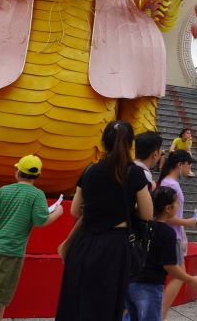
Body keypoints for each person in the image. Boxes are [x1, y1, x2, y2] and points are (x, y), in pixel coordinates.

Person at [56, 121, 153, 321]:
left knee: (76, 303)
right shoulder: (134, 173)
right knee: (106, 306)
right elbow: (147, 214)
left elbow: (75, 210)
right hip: (115, 246)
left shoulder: (90, 170)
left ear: (104, 143)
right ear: (129, 144)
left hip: (84, 243)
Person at [0, 155, 64, 321]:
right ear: (38, 176)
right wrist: (58, 212)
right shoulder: (37, 195)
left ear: (17, 172)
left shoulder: (2, 191)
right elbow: (41, 221)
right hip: (11, 251)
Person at [126, 186, 197, 320]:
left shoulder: (142, 226)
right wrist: (190, 279)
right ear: (168, 208)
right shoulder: (167, 233)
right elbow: (170, 266)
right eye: (176, 202)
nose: (178, 205)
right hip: (150, 286)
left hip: (131, 283)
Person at [158, 150, 197, 318]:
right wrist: (187, 222)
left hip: (173, 233)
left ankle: (162, 312)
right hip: (171, 234)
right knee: (179, 275)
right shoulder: (171, 185)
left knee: (177, 274)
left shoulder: (169, 182)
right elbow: (167, 215)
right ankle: (162, 312)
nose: (191, 167)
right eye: (189, 164)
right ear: (180, 165)